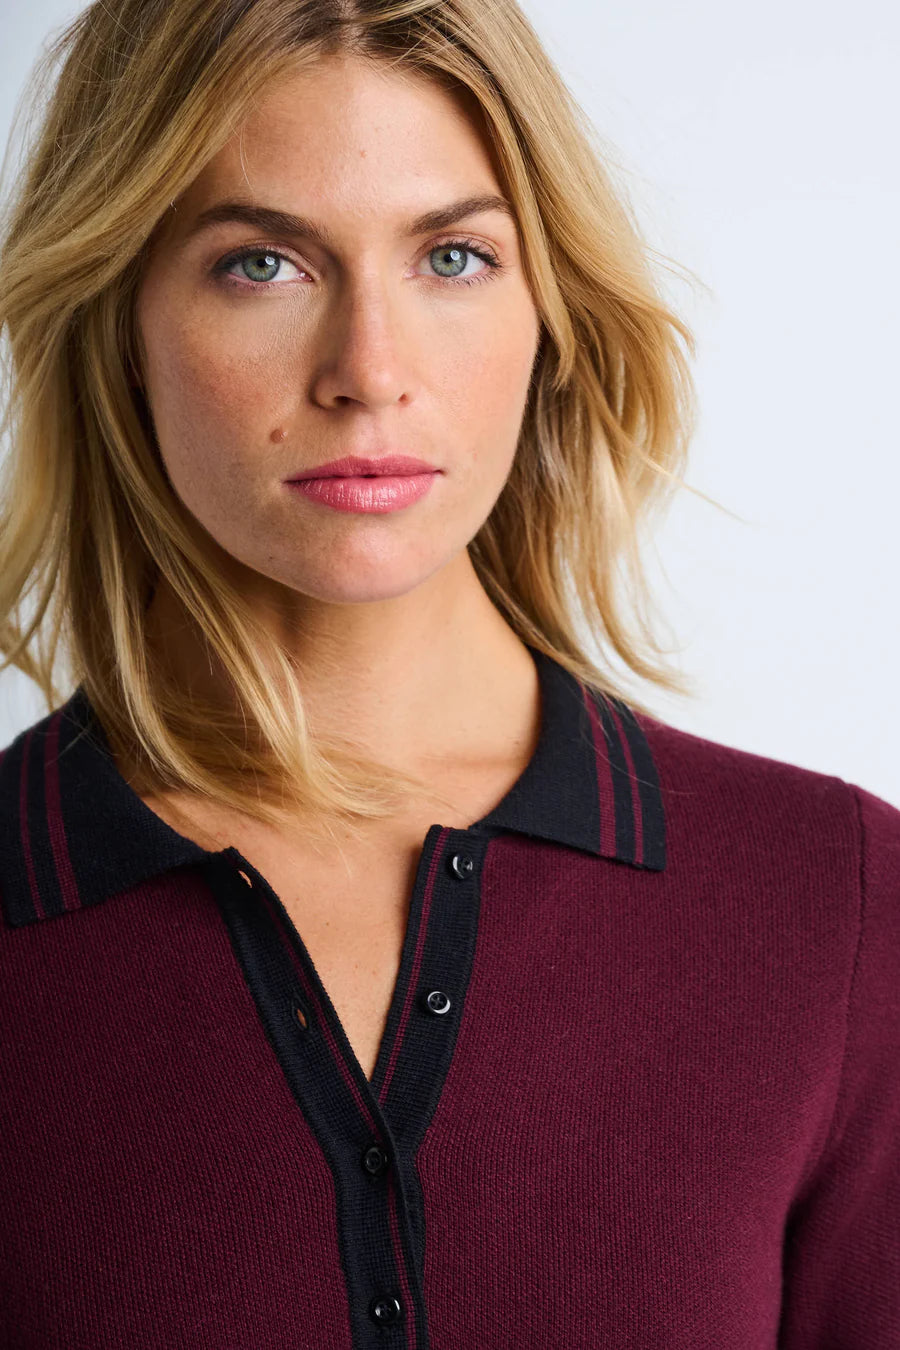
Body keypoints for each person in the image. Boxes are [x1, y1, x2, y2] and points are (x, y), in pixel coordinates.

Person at [0, 1, 897, 1346]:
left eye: (455, 256)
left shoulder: (835, 903)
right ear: (118, 317)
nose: (369, 371)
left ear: (550, 313)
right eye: (261, 264)